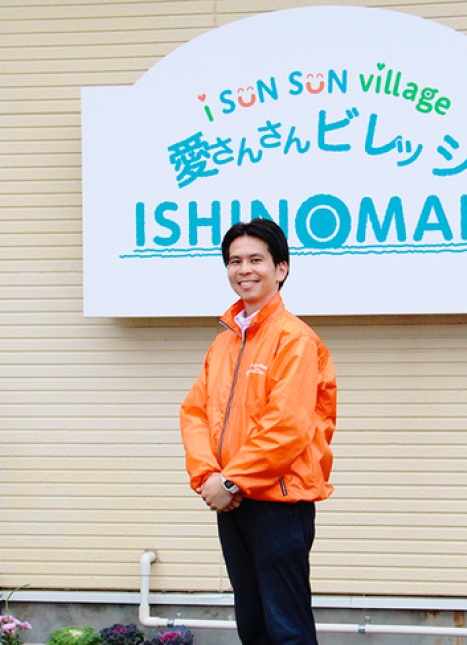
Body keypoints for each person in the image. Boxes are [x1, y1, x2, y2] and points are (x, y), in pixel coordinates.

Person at [180, 219, 337, 645]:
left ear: (280, 269)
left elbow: (287, 427)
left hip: (278, 504)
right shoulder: (224, 344)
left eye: (256, 260)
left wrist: (232, 480)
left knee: (287, 629)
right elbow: (194, 413)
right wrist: (208, 477)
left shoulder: (295, 340)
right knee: (252, 624)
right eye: (235, 261)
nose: (244, 269)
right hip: (232, 502)